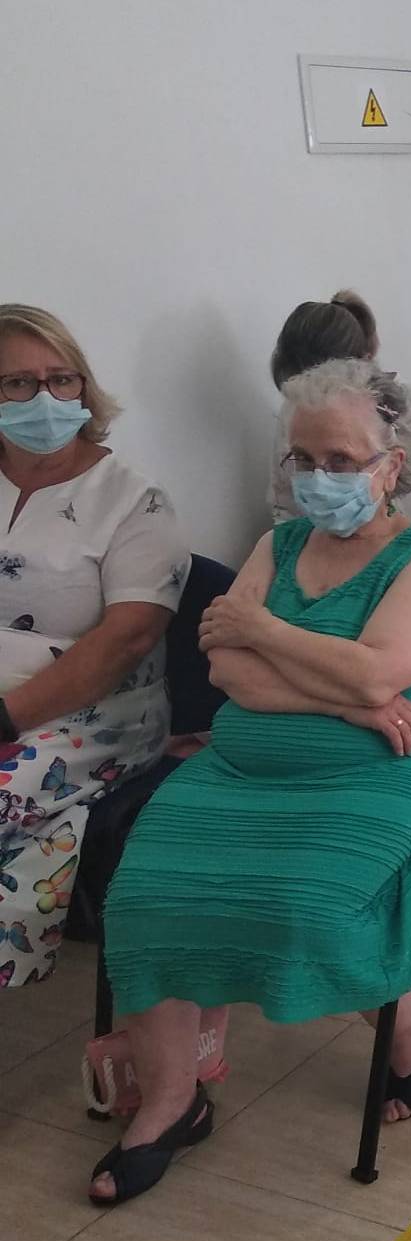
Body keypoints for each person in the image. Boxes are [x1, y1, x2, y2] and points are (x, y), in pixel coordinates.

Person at [93, 360, 411, 1204]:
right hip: (244, 763)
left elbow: (378, 673)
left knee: (311, 906)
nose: (317, 477)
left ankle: (409, 1008)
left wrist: (268, 632)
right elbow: (227, 671)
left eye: (341, 460)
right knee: (144, 895)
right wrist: (343, 701)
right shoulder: (280, 545)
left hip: (390, 767)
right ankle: (170, 1101)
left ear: (393, 466)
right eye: (303, 459)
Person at [0, 305, 187, 986]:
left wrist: (6, 718)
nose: (44, 398)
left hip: (94, 714)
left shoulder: (134, 501)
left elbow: (126, 639)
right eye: (18, 383)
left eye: (62, 379)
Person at [267, 290, 411, 555]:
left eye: (340, 459)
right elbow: (286, 512)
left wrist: (388, 564)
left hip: (408, 559)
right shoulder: (296, 411)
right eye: (305, 459)